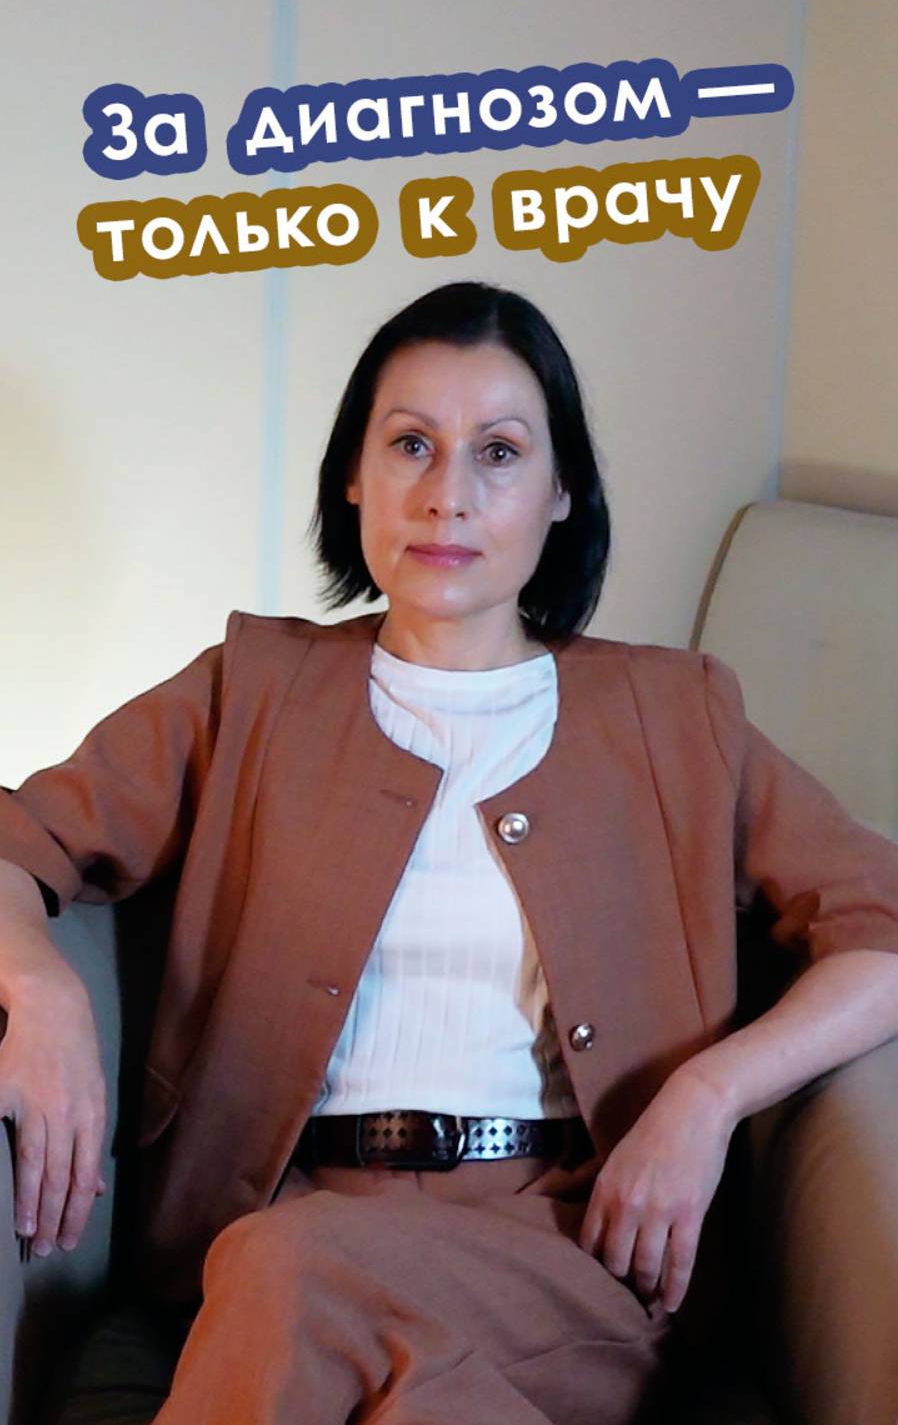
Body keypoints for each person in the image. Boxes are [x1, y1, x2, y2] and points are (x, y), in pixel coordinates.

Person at [2, 278, 898, 1425]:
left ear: (562, 492)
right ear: (354, 475)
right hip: (286, 1211)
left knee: (288, 1269)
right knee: (386, 1365)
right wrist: (41, 990)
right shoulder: (249, 689)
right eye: (411, 444)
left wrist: (706, 1097)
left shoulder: (677, 716)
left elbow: (879, 928)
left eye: (500, 453)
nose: (447, 495)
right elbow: (21, 838)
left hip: (567, 1245)